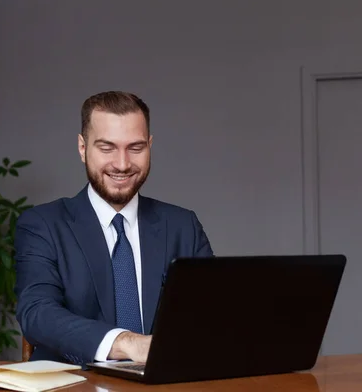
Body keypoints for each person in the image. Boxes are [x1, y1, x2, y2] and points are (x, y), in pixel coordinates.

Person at [14, 91, 213, 366]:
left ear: (150, 145)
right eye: (107, 148)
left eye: (136, 148)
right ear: (83, 148)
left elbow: (213, 314)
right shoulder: (42, 225)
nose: (122, 164)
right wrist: (128, 343)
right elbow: (37, 314)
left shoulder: (183, 226)